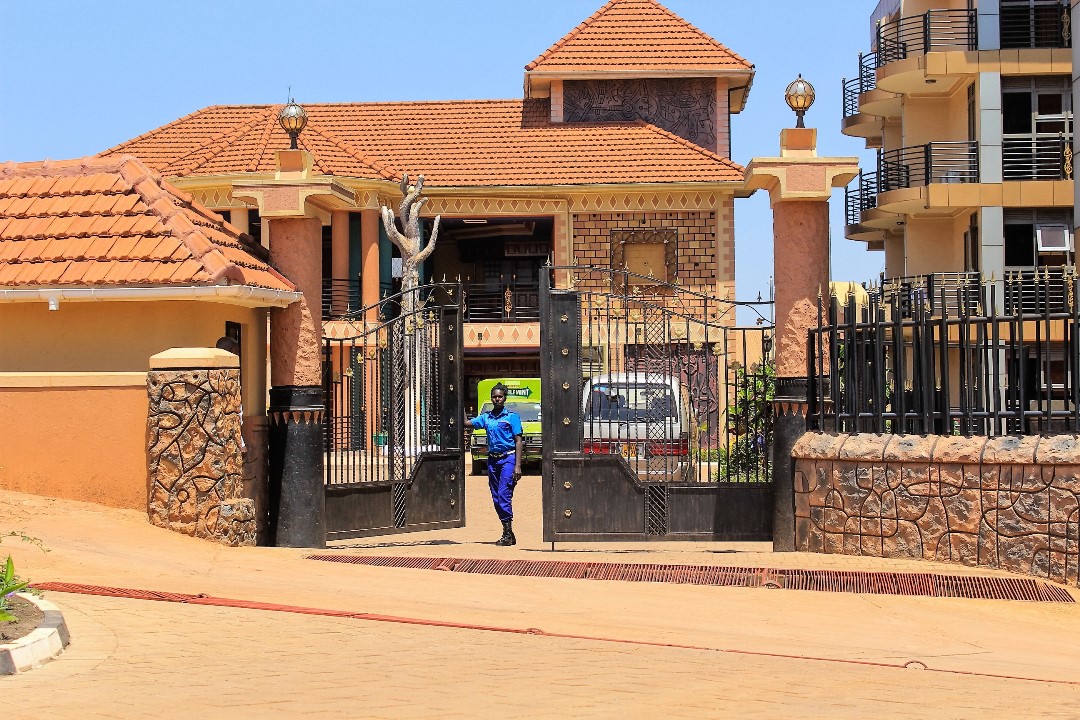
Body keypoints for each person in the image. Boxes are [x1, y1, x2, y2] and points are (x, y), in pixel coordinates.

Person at [467, 383, 523, 546]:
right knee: (496, 497)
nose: (497, 399)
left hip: (508, 459)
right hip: (492, 460)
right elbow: (467, 423)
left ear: (505, 398)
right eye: (494, 396)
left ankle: (507, 534)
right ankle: (508, 533)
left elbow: (518, 441)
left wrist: (517, 466)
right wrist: (457, 401)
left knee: (504, 494)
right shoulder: (486, 417)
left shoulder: (512, 417)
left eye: (500, 396)